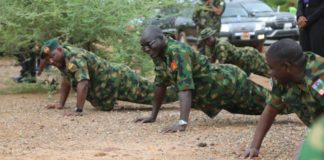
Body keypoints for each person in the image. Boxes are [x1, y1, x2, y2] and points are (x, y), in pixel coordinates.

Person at [134, 26, 272, 133]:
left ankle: (293, 99)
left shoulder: (177, 51)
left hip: (230, 84)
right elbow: (160, 84)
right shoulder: (158, 53)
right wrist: (153, 116)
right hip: (216, 95)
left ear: (161, 38)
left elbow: (185, 87)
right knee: (258, 110)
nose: (146, 49)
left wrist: (182, 122)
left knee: (273, 104)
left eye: (149, 44)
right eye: (142, 46)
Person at [40, 39, 178, 116]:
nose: (51, 61)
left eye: (52, 56)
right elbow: (66, 79)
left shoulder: (74, 57)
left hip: (120, 80)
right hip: (111, 84)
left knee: (154, 95)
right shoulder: (63, 59)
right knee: (154, 94)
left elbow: (83, 82)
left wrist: (78, 110)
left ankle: (188, 93)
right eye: (48, 60)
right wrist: (61, 104)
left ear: (59, 49)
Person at [244, 39, 324, 158]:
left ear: (287, 66)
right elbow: (271, 109)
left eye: (271, 68)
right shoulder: (282, 78)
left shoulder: (318, 79)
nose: (269, 72)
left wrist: (311, 144)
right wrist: (254, 146)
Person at [199, 27, 269, 77]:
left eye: (208, 39)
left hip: (249, 57)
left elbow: (222, 64)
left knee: (267, 72)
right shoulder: (211, 46)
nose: (207, 41)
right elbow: (211, 61)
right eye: (205, 40)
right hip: (239, 63)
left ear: (213, 36)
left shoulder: (220, 45)